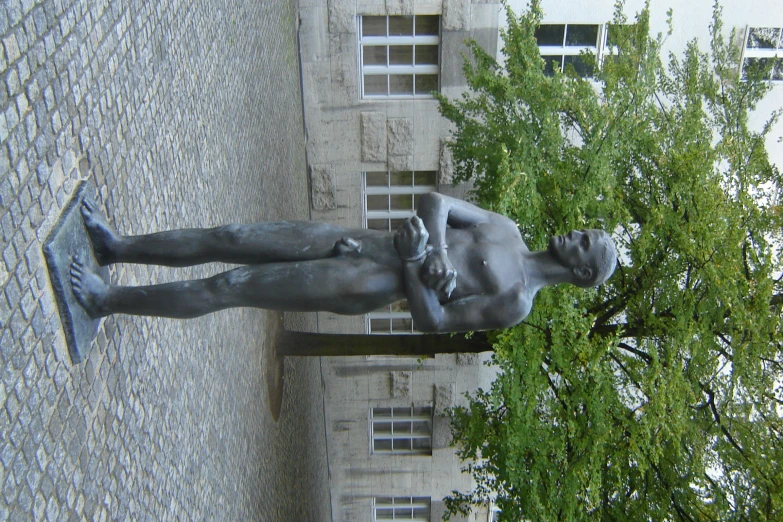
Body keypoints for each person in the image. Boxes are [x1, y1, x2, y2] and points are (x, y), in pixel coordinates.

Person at [70, 193, 617, 333]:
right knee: (231, 235)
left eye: (587, 243)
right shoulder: (505, 226)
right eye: (588, 230)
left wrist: (414, 261)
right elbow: (435, 203)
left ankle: (107, 300)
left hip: (364, 280)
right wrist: (438, 253)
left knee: (230, 284)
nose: (578, 232)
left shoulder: (516, 302)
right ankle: (119, 247)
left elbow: (434, 322)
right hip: (356, 240)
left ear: (583, 273)